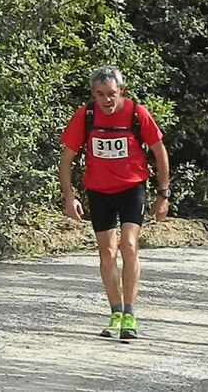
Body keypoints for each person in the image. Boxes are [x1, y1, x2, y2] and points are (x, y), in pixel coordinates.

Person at [59, 66, 170, 339]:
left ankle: (130, 314)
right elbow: (66, 159)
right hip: (99, 191)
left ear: (121, 91)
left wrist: (163, 194)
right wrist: (69, 197)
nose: (107, 100)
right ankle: (115, 312)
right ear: (93, 94)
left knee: (129, 244)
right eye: (100, 95)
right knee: (107, 252)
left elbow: (159, 151)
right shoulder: (85, 115)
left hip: (132, 187)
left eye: (111, 94)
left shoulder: (136, 113)